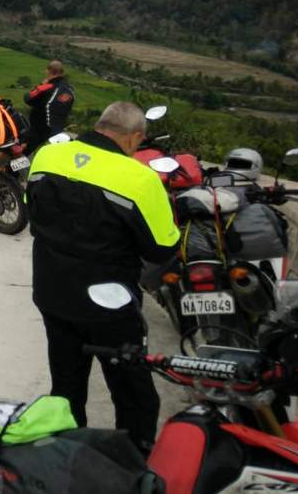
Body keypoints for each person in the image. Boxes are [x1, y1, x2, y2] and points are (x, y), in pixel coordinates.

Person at [25, 101, 181, 454]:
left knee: (66, 385)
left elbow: (30, 211)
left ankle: (64, 455)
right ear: (135, 137)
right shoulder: (140, 179)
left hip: (52, 292)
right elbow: (161, 249)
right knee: (133, 393)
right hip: (109, 305)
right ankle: (131, 466)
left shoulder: (47, 157)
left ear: (100, 125)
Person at [24, 60, 75, 150]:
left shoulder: (47, 87)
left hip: (39, 132)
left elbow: (28, 98)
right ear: (62, 73)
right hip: (58, 134)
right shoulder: (69, 90)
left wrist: (40, 85)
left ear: (48, 71)